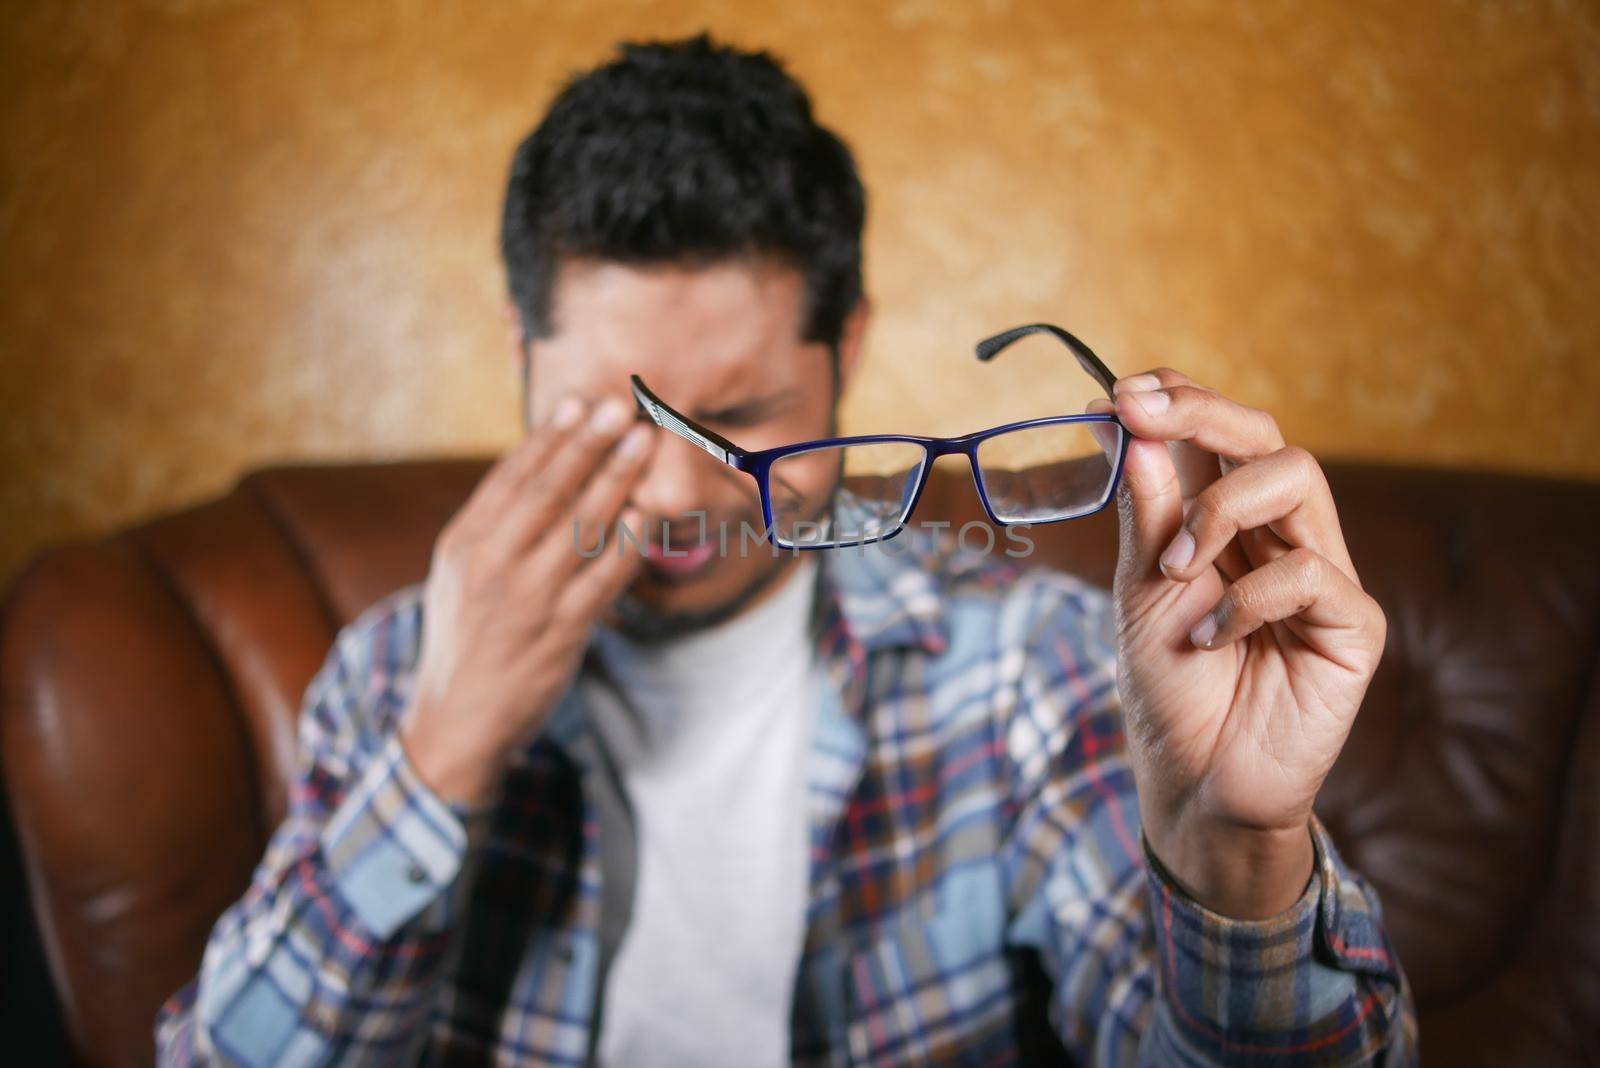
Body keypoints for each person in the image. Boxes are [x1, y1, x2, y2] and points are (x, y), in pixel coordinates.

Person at [154, 31, 1417, 1066]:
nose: (676, 492)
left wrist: (1238, 861)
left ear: (847, 351)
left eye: (745, 419)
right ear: (516, 353)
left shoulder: (1024, 667)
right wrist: (437, 763)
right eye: (615, 416)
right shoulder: (393, 675)